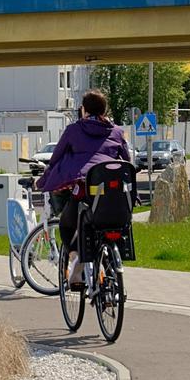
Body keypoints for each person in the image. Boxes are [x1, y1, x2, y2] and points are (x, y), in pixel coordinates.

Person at [36, 89, 131, 288]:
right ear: (105, 110)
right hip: (114, 196)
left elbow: (56, 160)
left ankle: (76, 260)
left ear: (84, 110)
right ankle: (110, 268)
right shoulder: (117, 132)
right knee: (109, 226)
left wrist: (43, 182)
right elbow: (127, 162)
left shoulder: (73, 130)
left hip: (85, 191)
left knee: (67, 225)